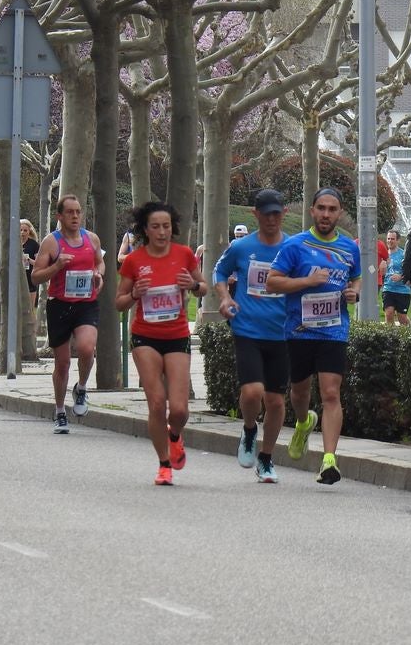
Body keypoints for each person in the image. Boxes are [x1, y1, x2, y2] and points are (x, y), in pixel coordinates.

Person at [265, 187, 362, 485]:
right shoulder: (295, 246)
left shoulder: (349, 248)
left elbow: (356, 278)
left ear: (340, 213)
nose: (326, 214)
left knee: (331, 393)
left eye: (332, 209)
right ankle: (305, 422)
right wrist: (308, 280)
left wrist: (353, 293)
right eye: (321, 208)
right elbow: (272, 282)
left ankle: (329, 459)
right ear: (312, 211)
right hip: (299, 331)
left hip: (334, 331)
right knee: (299, 392)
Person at [115, 202, 207, 485]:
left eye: (166, 226)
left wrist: (191, 285)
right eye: (155, 226)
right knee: (157, 402)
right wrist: (134, 294)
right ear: (146, 229)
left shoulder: (184, 255)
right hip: (145, 336)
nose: (162, 231)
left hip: (177, 335)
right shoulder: (134, 260)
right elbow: (118, 303)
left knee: (179, 410)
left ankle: (175, 435)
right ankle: (163, 464)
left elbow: (203, 286)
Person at [213, 188, 291, 483]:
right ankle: (248, 430)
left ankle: (267, 458)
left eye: (276, 213)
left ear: (283, 214)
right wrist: (224, 298)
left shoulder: (292, 247)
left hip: (282, 333)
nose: (271, 219)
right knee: (252, 392)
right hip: (247, 328)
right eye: (266, 213)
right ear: (255, 214)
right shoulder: (241, 248)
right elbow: (219, 273)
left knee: (275, 401)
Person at [31, 194, 105, 434]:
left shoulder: (91, 238)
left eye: (78, 211)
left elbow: (99, 263)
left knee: (86, 348)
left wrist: (98, 274)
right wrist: (57, 266)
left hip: (86, 304)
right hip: (60, 305)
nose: (75, 216)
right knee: (62, 364)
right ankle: (60, 411)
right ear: (59, 216)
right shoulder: (51, 243)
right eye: (70, 212)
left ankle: (81, 388)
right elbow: (36, 276)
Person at [381, 229, 411, 326]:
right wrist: (381, 270)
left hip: (402, 290)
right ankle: (391, 338)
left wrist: (401, 277)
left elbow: (410, 271)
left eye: (392, 239)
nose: (390, 241)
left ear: (398, 240)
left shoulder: (403, 255)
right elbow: (378, 273)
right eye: (388, 239)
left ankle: (410, 332)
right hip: (388, 289)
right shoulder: (383, 255)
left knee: (402, 318)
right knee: (389, 313)